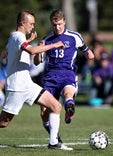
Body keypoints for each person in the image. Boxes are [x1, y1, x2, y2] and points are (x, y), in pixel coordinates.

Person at [0, 10, 73, 150]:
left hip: (28, 84)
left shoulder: (17, 38)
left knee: (56, 106)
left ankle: (53, 143)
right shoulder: (17, 37)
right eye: (31, 24)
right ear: (23, 23)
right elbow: (32, 51)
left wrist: (29, 42)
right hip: (17, 87)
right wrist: (54, 45)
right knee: (3, 123)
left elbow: (16, 50)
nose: (32, 27)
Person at [34, 9, 94, 140]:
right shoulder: (47, 39)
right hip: (50, 77)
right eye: (54, 25)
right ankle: (54, 135)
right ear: (51, 24)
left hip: (68, 74)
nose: (57, 27)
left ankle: (69, 109)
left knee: (68, 94)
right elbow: (37, 62)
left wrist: (89, 53)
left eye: (60, 24)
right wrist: (39, 50)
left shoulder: (74, 36)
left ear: (64, 22)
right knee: (44, 112)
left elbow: (86, 49)